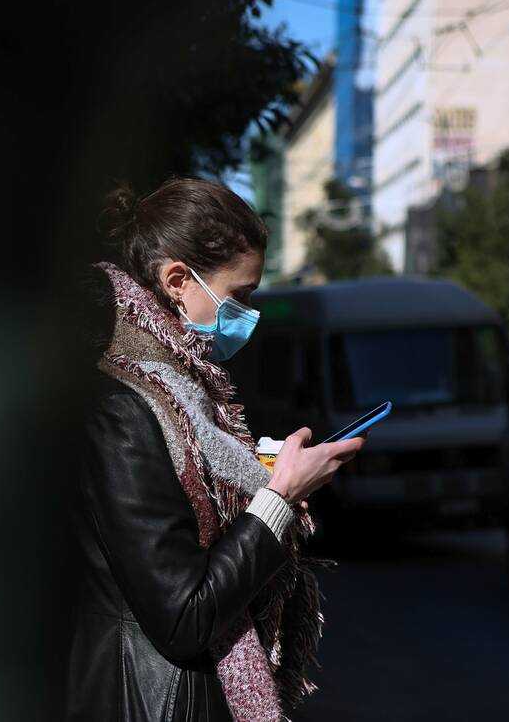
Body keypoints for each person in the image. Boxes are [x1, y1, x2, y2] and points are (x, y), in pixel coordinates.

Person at [65, 177, 364, 721]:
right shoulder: (127, 410)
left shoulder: (187, 391)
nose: (250, 315)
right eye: (240, 296)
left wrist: (266, 475)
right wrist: (278, 497)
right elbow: (184, 615)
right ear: (177, 280)